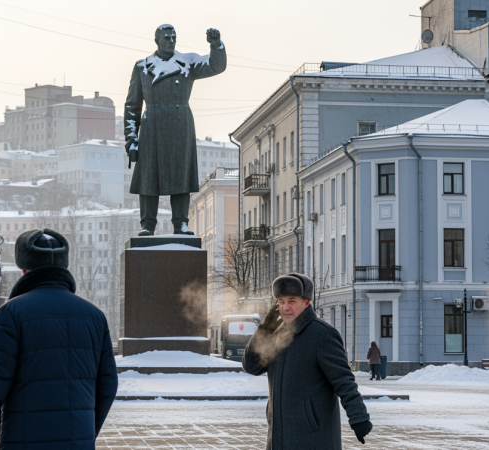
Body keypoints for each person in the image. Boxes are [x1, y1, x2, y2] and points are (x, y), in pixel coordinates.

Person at [0, 229, 118, 450]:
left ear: (24, 269)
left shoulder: (12, 313)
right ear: (63, 266)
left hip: (24, 441)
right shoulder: (95, 316)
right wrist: (87, 432)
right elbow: (108, 385)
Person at [243, 273, 372, 449]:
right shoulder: (276, 334)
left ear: (306, 302)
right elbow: (251, 366)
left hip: (312, 438)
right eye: (281, 302)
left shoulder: (322, 335)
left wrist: (359, 417)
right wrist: (265, 330)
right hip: (278, 437)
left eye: (291, 301)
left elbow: (344, 381)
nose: (285, 307)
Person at [124, 24, 227, 236]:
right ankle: (147, 224)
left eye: (173, 37)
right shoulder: (142, 67)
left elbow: (215, 66)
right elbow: (132, 106)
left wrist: (216, 45)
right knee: (148, 178)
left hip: (180, 126)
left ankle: (181, 222)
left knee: (181, 176)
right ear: (157, 41)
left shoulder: (187, 62)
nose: (171, 41)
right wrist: (131, 139)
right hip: (151, 128)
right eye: (167, 38)